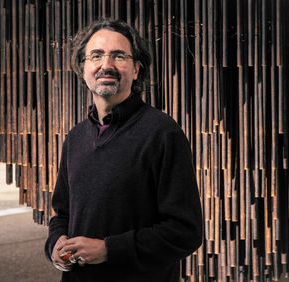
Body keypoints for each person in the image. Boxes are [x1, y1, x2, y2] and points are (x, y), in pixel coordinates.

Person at [44, 19, 203, 282]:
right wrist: (55, 244)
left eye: (119, 56)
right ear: (83, 68)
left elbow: (185, 231)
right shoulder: (75, 139)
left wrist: (108, 249)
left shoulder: (163, 133)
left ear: (136, 69)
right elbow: (61, 214)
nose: (106, 65)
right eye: (96, 56)